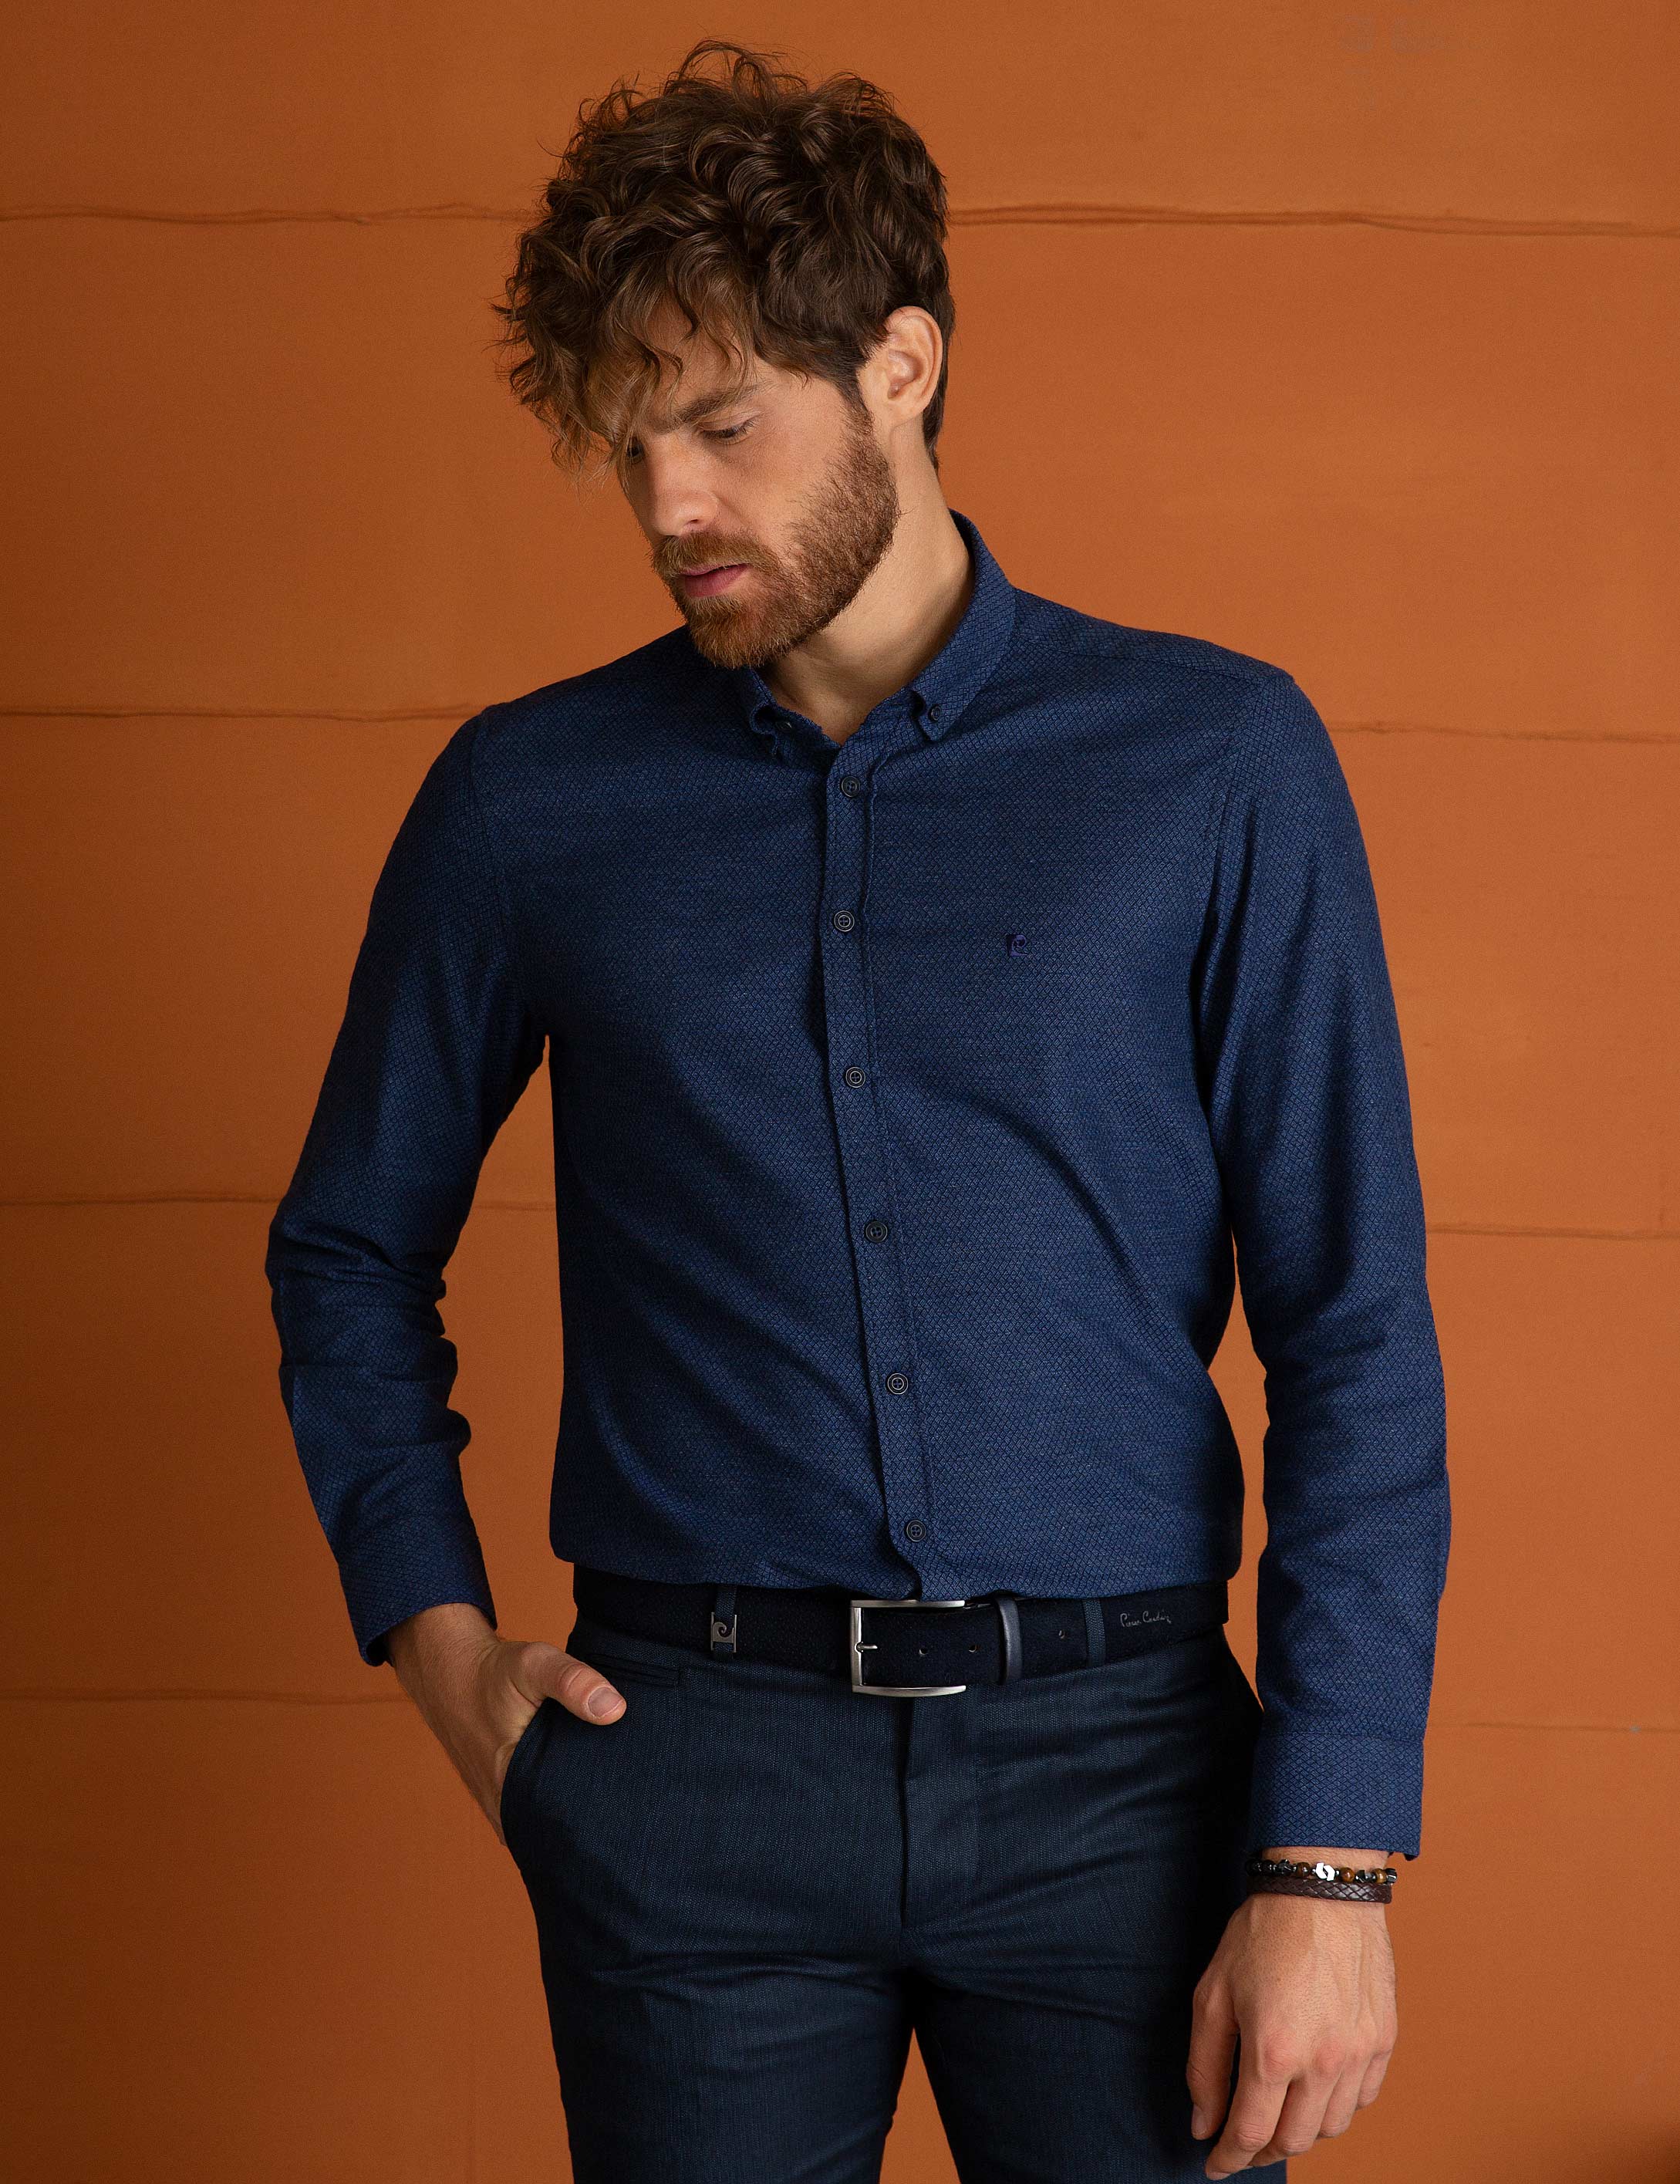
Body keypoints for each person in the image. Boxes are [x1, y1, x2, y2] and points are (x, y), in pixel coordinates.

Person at [265, 37, 1449, 2184]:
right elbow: (347, 1245)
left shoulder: (1212, 764)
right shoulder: (529, 801)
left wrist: (1332, 1861)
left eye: (721, 424)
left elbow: (1350, 1323)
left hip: (1127, 1786)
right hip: (687, 1779)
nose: (667, 509)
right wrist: (443, 1653)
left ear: (900, 365)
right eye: (627, 444)